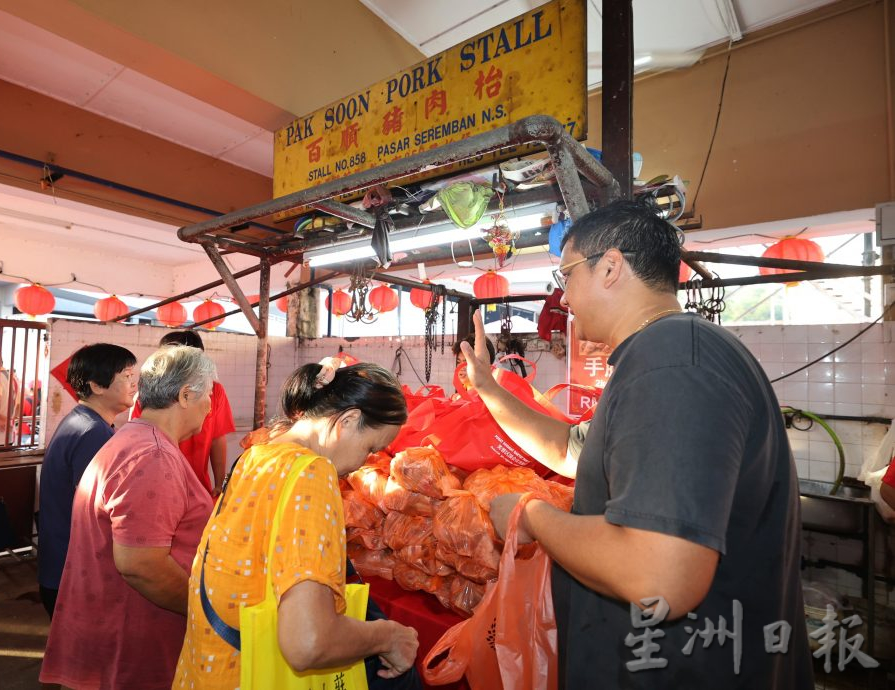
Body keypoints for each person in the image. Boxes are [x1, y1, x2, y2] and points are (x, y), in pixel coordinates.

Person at [460, 199, 814, 688]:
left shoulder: (672, 363)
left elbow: (660, 575)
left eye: (566, 277)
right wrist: (489, 390)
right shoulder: (663, 356)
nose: (562, 299)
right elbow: (568, 449)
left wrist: (532, 515)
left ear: (610, 267)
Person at [173, 362, 419, 689]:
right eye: (371, 447)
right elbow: (308, 642)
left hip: (208, 672)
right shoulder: (311, 474)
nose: (366, 461)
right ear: (347, 420)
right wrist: (389, 636)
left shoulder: (256, 456)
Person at [39, 346, 216, 690]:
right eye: (208, 395)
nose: (211, 406)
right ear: (185, 395)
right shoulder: (152, 455)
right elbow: (141, 565)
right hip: (136, 628)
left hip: (122, 620)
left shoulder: (136, 438)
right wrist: (207, 611)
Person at [37, 343, 138, 618]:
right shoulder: (93, 432)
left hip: (61, 567)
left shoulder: (85, 422)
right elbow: (100, 512)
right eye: (126, 376)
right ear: (97, 386)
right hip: (73, 573)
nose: (134, 383)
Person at [130, 330, 235, 497]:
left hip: (197, 484)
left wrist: (220, 481)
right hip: (159, 485)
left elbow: (217, 437)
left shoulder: (215, 390)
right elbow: (138, 443)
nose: (208, 406)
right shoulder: (146, 395)